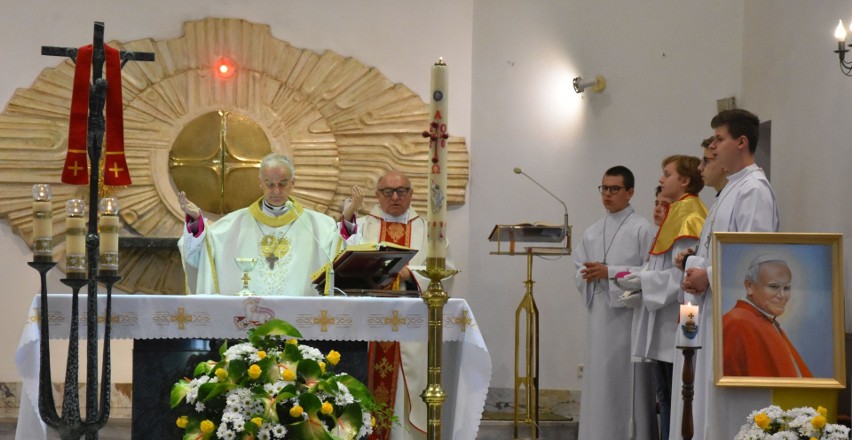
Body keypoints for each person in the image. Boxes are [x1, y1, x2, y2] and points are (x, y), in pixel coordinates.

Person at [672, 109, 779, 440]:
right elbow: (723, 248)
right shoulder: (731, 189)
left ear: (742, 142)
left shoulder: (754, 190)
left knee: (722, 415)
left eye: (719, 139)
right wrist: (695, 261)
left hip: (732, 320)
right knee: (703, 406)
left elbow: (754, 260)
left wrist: (707, 274)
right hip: (710, 314)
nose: (713, 148)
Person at [341, 170, 451, 440]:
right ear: (377, 195)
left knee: (406, 392)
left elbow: (445, 270)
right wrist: (346, 220)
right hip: (370, 326)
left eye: (402, 191)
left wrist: (410, 273)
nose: (395, 197)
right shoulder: (364, 226)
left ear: (411, 194)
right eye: (388, 191)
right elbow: (342, 261)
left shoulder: (428, 230)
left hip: (409, 326)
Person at [616, 156, 706, 440]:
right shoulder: (678, 212)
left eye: (666, 174)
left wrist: (644, 281)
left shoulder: (689, 216)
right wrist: (641, 280)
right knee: (665, 395)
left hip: (677, 320)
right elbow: (664, 267)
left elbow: (685, 276)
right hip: (666, 318)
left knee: (673, 396)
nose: (660, 179)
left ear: (684, 181)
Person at [178, 153, 345, 296]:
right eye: (270, 184)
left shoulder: (319, 226)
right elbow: (200, 253)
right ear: (260, 183)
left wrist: (349, 220)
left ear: (293, 183)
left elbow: (342, 252)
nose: (276, 191)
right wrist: (195, 221)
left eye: (283, 183)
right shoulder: (234, 223)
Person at [574, 165, 657, 440]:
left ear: (630, 192)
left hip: (628, 318)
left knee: (625, 383)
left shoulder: (642, 229)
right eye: (604, 188)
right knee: (599, 382)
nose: (607, 194)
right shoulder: (592, 232)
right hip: (599, 315)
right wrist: (588, 273)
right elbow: (578, 267)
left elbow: (650, 271)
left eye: (614, 189)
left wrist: (609, 272)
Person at [722, 255, 812, 377]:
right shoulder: (738, 322)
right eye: (774, 287)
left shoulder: (767, 320)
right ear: (750, 286)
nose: (782, 295)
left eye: (786, 288)